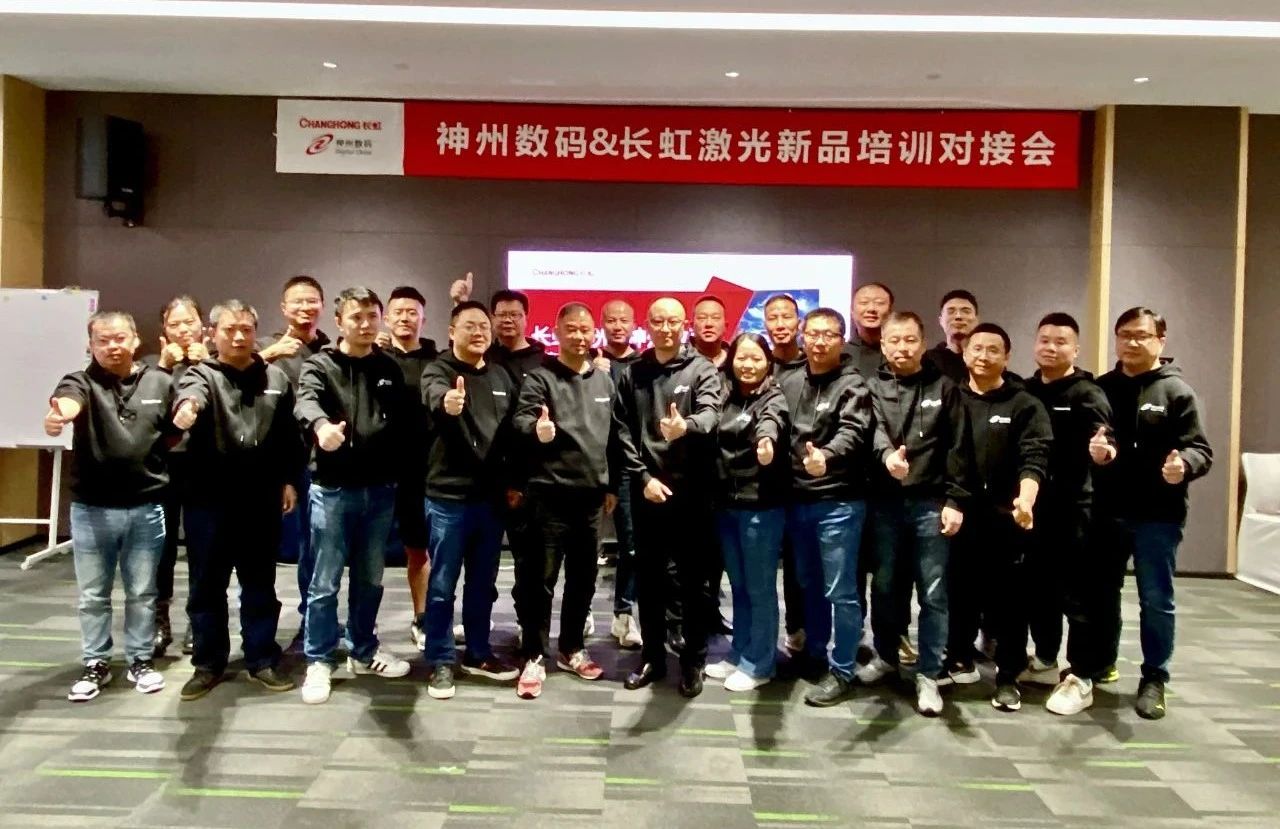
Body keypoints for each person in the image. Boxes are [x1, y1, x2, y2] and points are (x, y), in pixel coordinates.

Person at [170, 300, 302, 699]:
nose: (240, 336)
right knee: (207, 586)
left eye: (246, 329)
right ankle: (208, 664)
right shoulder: (201, 375)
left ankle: (261, 659)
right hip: (208, 500)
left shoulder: (276, 377)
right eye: (230, 329)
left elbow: (288, 436)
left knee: (259, 584)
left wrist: (288, 480)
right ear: (213, 334)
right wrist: (187, 409)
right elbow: (190, 396)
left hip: (261, 498)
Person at [1091, 307, 1212, 720]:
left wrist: (1184, 466)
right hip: (1106, 511)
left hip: (1158, 515)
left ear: (1161, 339)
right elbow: (1095, 439)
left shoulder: (1177, 392)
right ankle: (1102, 663)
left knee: (1156, 599)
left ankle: (1154, 677)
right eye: (1124, 334)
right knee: (1101, 593)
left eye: (1141, 335)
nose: (1131, 342)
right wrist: (1097, 454)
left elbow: (1200, 449)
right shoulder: (1102, 388)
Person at [294, 287, 413, 704]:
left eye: (371, 317)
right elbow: (305, 402)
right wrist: (321, 428)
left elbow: (400, 423)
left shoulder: (388, 367)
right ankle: (319, 659)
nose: (365, 325)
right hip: (333, 490)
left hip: (379, 492)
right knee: (324, 582)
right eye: (356, 317)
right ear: (339, 322)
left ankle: (363, 649)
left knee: (370, 579)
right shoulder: (319, 365)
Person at [47, 311, 173, 702]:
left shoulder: (160, 381)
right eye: (103, 340)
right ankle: (95, 662)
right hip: (92, 510)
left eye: (119, 338)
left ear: (135, 340)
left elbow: (173, 433)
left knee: (143, 592)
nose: (112, 346)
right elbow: (68, 403)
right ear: (91, 345)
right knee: (93, 595)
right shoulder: (79, 382)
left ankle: (140, 660)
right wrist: (60, 415)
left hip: (146, 506)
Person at [856, 311, 969, 717]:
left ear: (922, 343)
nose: (902, 348)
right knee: (885, 586)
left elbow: (959, 448)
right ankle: (887, 655)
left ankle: (929, 673)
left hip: (931, 503)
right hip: (885, 503)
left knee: (933, 592)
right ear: (883, 345)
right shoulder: (871, 387)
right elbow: (871, 432)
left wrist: (955, 501)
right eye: (894, 340)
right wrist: (887, 456)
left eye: (909, 340)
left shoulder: (945, 387)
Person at [511, 302, 624, 699]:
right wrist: (536, 430)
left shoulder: (604, 381)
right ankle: (533, 656)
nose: (579, 336)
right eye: (571, 329)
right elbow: (521, 420)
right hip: (548, 495)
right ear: (557, 332)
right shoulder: (541, 377)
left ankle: (572, 648)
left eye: (585, 329)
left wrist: (611, 486)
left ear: (593, 333)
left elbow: (614, 438)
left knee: (583, 579)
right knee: (539, 581)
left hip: (591, 498)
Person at [614, 297, 723, 697]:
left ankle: (693, 660)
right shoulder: (633, 372)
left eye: (673, 321)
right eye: (658, 321)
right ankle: (653, 658)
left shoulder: (702, 369)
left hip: (692, 492)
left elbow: (712, 413)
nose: (665, 328)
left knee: (695, 583)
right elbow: (621, 430)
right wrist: (642, 477)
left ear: (684, 324)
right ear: (648, 324)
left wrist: (686, 426)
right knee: (650, 580)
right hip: (647, 490)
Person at [948, 323, 1052, 713]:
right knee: (959, 593)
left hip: (1008, 519)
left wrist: (1026, 499)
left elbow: (1035, 456)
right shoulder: (951, 397)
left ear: (1007, 357)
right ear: (964, 353)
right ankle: (958, 658)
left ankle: (1008, 677)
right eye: (977, 348)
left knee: (1009, 602)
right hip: (959, 514)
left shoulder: (1025, 404)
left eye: (994, 350)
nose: (984, 356)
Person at [420, 301, 522, 700]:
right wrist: (448, 403)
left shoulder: (499, 375)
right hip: (448, 498)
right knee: (442, 584)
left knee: (483, 583)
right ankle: (440, 659)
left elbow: (511, 434)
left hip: (490, 500)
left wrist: (513, 482)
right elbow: (435, 396)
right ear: (451, 331)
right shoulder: (438, 370)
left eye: (483, 326)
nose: (478, 332)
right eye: (469, 326)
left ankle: (478, 652)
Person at [777, 307, 875, 707]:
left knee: (841, 590)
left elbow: (853, 431)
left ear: (841, 339)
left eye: (828, 335)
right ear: (803, 336)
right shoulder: (790, 380)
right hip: (797, 500)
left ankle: (843, 669)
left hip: (839, 501)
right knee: (809, 584)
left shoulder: (854, 385)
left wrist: (827, 456)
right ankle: (816, 653)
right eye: (813, 334)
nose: (819, 342)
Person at [1020, 313, 1115, 714]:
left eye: (1061, 342)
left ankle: (1082, 676)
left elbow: (1106, 442)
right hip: (1032, 507)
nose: (1051, 347)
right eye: (1045, 340)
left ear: (1076, 349)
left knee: (1078, 596)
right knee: (1039, 589)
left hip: (1075, 509)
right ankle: (1045, 660)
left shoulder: (1088, 393)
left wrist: (1103, 452)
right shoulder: (1024, 391)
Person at [704, 333, 789, 692]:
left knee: (759, 588)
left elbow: (771, 422)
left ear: (768, 362)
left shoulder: (773, 396)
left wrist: (766, 443)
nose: (748, 365)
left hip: (760, 506)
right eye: (742, 357)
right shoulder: (724, 395)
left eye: (756, 358)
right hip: (726, 504)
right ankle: (739, 651)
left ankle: (760, 663)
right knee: (738, 585)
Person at [259, 275, 331, 647]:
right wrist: (269, 355)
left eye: (311, 300)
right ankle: (262, 633)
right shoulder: (266, 348)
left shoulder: (330, 350)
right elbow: (230, 376)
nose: (305, 307)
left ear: (322, 306)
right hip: (280, 465)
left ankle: (313, 622)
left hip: (323, 463)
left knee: (316, 550)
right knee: (265, 552)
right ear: (284, 307)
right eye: (297, 301)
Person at [143, 295, 210, 658]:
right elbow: (143, 415)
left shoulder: (216, 362)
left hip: (204, 467)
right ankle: (159, 619)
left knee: (203, 547)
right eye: (175, 324)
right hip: (162, 467)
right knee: (162, 548)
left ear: (204, 327)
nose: (183, 330)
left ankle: (199, 622)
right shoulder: (149, 369)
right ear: (164, 332)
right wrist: (163, 368)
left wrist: (208, 364)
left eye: (190, 322)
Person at [376, 286, 439, 651]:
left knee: (420, 550)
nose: (405, 318)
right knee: (366, 555)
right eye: (398, 312)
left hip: (423, 470)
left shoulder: (436, 361)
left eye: (412, 312)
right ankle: (361, 632)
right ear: (386, 317)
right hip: (378, 471)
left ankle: (424, 618)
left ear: (422, 319)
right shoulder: (374, 358)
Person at [595, 299, 643, 650]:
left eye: (623, 320)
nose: (617, 326)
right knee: (582, 547)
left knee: (632, 545)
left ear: (634, 324)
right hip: (590, 465)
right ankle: (581, 611)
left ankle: (623, 614)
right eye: (611, 320)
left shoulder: (643, 366)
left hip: (628, 465)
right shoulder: (589, 362)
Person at [762, 293, 807, 655]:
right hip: (761, 481)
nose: (780, 324)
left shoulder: (812, 365)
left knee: (799, 564)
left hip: (804, 480)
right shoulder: (756, 364)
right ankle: (758, 642)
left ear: (799, 322)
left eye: (786, 316)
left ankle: (798, 630)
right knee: (759, 569)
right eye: (773, 317)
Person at [927, 289, 979, 384]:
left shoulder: (984, 359)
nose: (958, 316)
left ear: (976, 320)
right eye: (951, 311)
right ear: (941, 320)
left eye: (966, 311)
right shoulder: (927, 361)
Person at [843, 282, 892, 376]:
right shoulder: (839, 354)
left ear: (890, 311)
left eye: (879, 303)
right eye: (864, 303)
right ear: (852, 310)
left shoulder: (900, 352)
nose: (871, 309)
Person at [692, 294, 730, 368]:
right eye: (702, 318)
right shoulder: (678, 359)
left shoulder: (734, 362)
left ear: (725, 326)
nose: (709, 324)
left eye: (716, 318)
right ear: (692, 325)